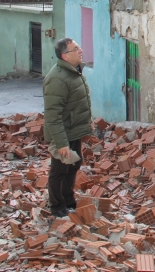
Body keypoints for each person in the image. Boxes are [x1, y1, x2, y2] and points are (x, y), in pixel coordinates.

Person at [43, 38, 92, 218]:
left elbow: (81, 100)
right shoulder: (56, 79)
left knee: (74, 164)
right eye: (75, 49)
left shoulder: (74, 71)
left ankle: (68, 201)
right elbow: (52, 114)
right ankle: (57, 207)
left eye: (79, 46)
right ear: (65, 56)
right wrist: (61, 142)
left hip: (74, 129)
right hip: (63, 133)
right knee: (59, 170)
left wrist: (88, 121)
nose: (80, 50)